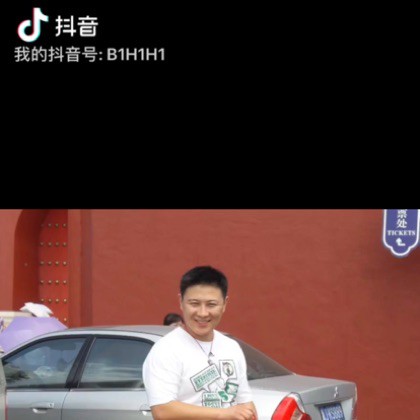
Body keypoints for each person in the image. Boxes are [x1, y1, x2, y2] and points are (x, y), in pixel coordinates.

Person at [143, 266, 258, 419]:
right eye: (194, 303)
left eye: (211, 304)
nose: (203, 313)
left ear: (224, 304)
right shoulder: (166, 350)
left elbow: (245, 401)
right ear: (181, 302)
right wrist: (223, 414)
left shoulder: (231, 347)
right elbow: (162, 411)